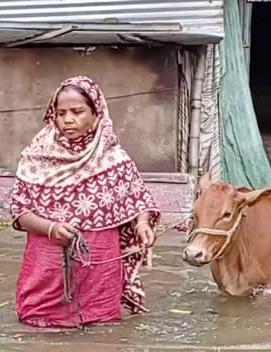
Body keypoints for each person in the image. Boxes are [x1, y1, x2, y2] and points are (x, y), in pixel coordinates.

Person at [10, 76, 160, 329]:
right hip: (48, 264)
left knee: (102, 333)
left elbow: (138, 198)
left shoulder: (114, 159)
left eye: (77, 112)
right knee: (38, 328)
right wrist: (50, 228)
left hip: (100, 267)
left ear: (96, 113)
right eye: (61, 113)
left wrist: (142, 224)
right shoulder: (36, 157)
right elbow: (19, 211)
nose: (68, 119)